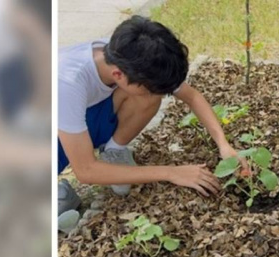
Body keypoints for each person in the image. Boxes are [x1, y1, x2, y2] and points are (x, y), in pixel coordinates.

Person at [57, 16, 251, 232]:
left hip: (79, 116)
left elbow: (192, 96)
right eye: (149, 87)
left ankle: (114, 151)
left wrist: (223, 144)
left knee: (148, 96)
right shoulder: (67, 82)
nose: (156, 94)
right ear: (118, 75)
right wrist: (171, 172)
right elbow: (85, 171)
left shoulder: (128, 54)